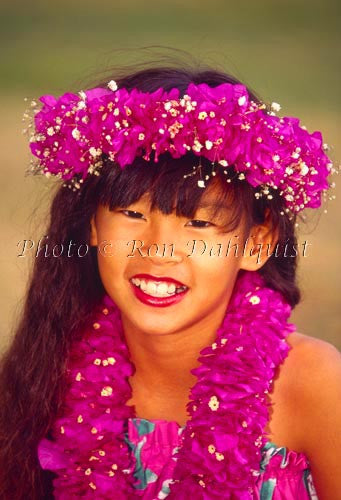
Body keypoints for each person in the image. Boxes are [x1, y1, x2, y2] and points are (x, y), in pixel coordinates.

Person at [0, 62, 340, 500]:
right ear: (93, 227)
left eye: (198, 223)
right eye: (133, 214)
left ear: (256, 243)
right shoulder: (47, 371)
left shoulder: (313, 382)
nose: (159, 251)